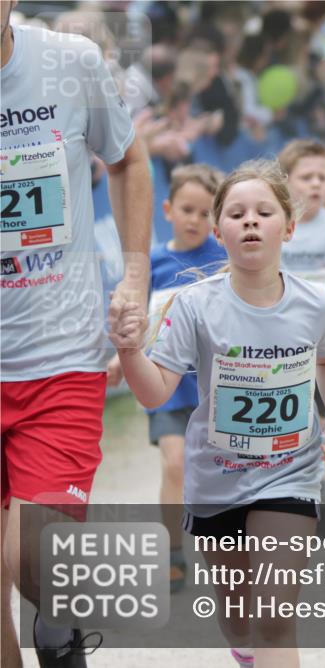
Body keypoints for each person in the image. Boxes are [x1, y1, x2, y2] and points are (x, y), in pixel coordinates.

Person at [109, 160, 325, 668]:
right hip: (215, 482)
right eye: (237, 214)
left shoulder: (316, 302)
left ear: (289, 227)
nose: (250, 221)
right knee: (238, 614)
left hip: (289, 475)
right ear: (219, 232)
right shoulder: (194, 305)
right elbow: (155, 394)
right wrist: (130, 351)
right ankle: (245, 653)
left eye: (264, 212)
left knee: (274, 617)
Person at [1, 2, 153, 666]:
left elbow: (127, 160)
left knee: (32, 556)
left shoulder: (69, 63)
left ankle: (60, 623)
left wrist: (136, 278)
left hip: (58, 354)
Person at [107, 164, 226, 594]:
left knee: (219, 473)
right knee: (175, 463)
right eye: (186, 210)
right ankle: (174, 551)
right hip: (165, 382)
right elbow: (137, 319)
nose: (194, 220)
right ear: (168, 209)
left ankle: (229, 549)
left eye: (204, 213)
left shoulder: (224, 260)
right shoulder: (151, 263)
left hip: (215, 385)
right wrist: (121, 359)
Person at [277, 140, 325, 289]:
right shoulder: (272, 226)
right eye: (306, 177)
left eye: (322, 178)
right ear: (284, 182)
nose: (316, 184)